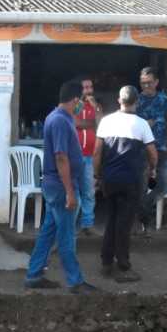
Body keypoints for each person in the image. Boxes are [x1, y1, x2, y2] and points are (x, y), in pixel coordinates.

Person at [25, 80, 99, 293]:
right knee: (67, 236)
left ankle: (34, 274)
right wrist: (69, 192)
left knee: (49, 232)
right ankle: (75, 281)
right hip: (60, 187)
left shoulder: (62, 118)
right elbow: (60, 158)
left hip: (56, 186)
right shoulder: (59, 121)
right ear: (75, 100)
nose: (82, 106)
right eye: (81, 102)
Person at [93, 86, 157, 282]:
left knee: (111, 219)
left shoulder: (106, 121)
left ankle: (106, 262)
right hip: (131, 180)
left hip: (110, 179)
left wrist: (98, 176)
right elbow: (152, 153)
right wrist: (153, 169)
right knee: (124, 223)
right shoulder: (142, 124)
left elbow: (97, 153)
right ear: (136, 102)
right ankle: (123, 266)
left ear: (119, 101)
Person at [136, 67, 167, 235]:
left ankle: (142, 205)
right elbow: (130, 123)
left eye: (149, 83)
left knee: (165, 186)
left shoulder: (163, 99)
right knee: (142, 187)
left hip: (161, 149)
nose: (146, 86)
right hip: (142, 151)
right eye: (143, 83)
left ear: (156, 82)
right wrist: (145, 124)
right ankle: (144, 226)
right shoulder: (136, 100)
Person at [72, 75, 103, 236]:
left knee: (89, 191)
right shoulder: (75, 104)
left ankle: (87, 224)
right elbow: (75, 122)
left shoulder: (95, 106)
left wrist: (95, 107)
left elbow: (102, 123)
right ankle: (71, 224)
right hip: (76, 156)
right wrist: (92, 123)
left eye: (90, 87)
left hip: (91, 155)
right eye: (85, 87)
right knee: (74, 191)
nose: (88, 90)